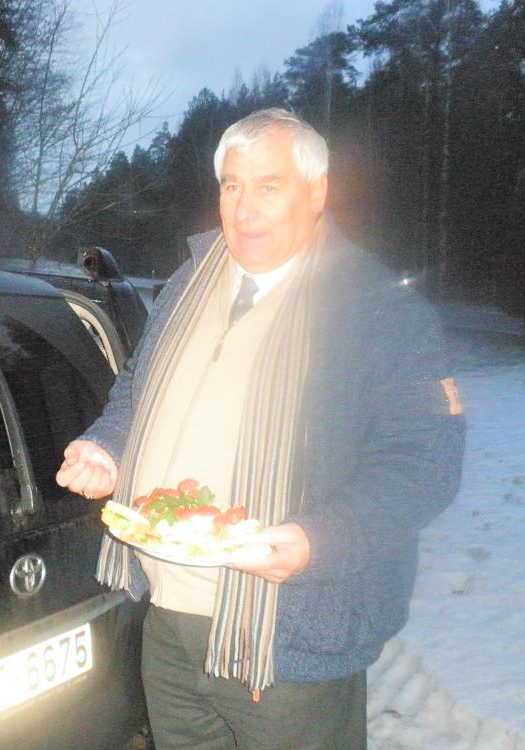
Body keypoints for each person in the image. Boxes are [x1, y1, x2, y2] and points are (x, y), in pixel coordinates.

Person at [56, 108, 466, 750]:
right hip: (168, 620)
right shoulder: (190, 282)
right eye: (232, 186)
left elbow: (424, 464)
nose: (245, 210)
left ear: (317, 192)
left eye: (269, 187)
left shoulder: (379, 308)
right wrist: (107, 445)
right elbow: (139, 387)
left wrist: (319, 540)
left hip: (292, 636)